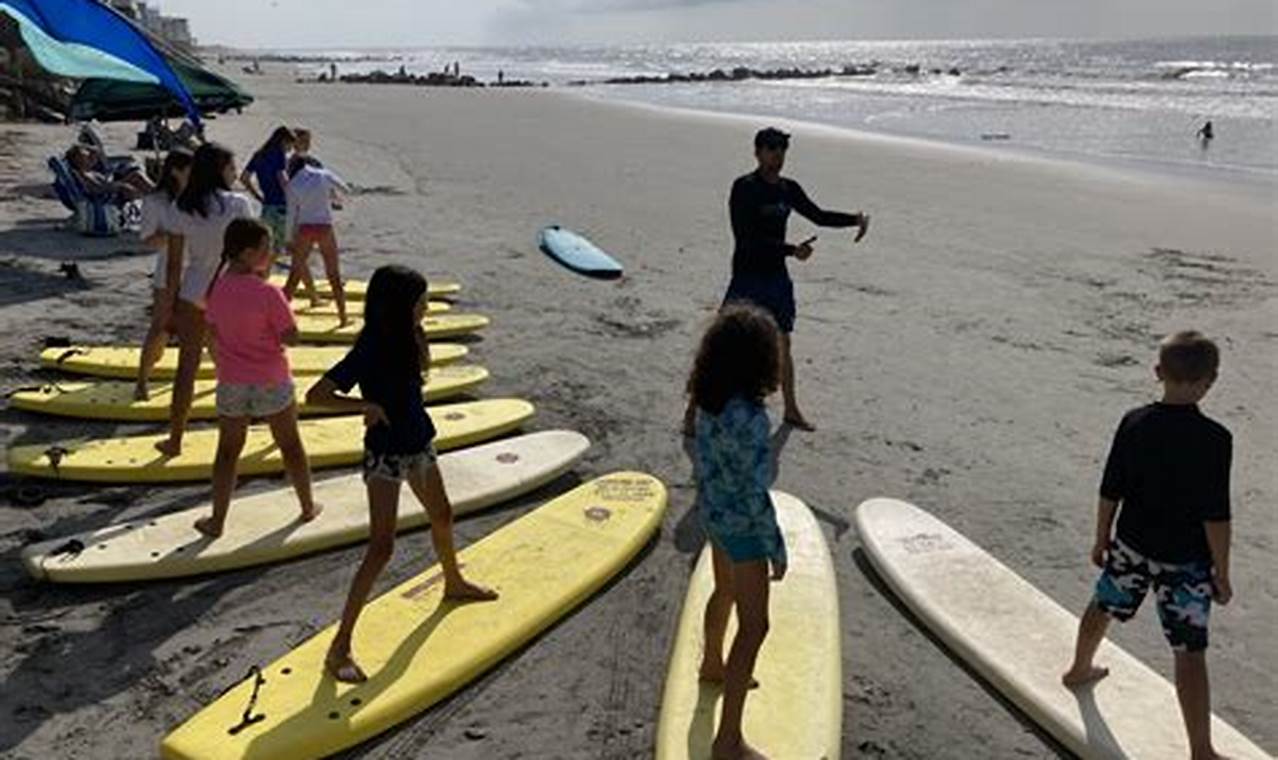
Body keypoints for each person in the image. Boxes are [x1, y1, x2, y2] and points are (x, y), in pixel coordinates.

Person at [306, 264, 497, 683]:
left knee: (443, 516)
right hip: (386, 456)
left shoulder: (412, 337)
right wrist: (363, 407)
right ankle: (339, 648)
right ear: (399, 306)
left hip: (419, 445)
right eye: (420, 301)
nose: (426, 307)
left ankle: (453, 581)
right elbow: (317, 395)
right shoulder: (371, 347)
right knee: (382, 548)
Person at [1062, 331, 1233, 760]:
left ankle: (1079, 668)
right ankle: (1201, 751)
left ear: (1158, 372)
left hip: (1132, 547)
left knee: (1103, 605)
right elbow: (1216, 515)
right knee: (1190, 651)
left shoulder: (1134, 422)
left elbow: (1110, 488)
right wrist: (1222, 571)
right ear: (1210, 381)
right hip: (1186, 564)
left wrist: (1101, 537)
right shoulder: (1216, 439)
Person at [684, 127, 870, 436]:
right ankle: (691, 413)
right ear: (757, 152)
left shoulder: (788, 188)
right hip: (747, 275)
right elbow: (745, 239)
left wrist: (855, 219)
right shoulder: (744, 188)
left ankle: (792, 410)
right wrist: (791, 250)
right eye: (771, 149)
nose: (777, 155)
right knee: (720, 345)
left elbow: (818, 215)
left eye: (782, 149)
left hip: (776, 279)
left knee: (784, 343)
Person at [686, 304, 786, 760]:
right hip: (743, 529)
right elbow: (755, 491)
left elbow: (708, 466)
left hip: (714, 516)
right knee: (755, 626)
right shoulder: (751, 419)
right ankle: (728, 741)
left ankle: (712, 663)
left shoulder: (709, 403)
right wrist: (774, 546)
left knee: (722, 591)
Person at [196, 218, 319, 538]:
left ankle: (217, 521)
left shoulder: (216, 287)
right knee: (290, 445)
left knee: (227, 452)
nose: (273, 253)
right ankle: (307, 507)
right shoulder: (269, 293)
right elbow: (291, 337)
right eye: (267, 249)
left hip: (232, 381)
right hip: (271, 379)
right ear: (250, 253)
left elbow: (211, 330)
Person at [156, 143, 256, 457]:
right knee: (237, 363)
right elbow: (252, 256)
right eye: (231, 167)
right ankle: (242, 429)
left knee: (187, 368)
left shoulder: (181, 207)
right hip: (232, 294)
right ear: (219, 170)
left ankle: (175, 439)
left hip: (193, 293)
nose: (235, 172)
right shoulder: (239, 204)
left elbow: (174, 265)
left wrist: (168, 306)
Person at [134, 148, 194, 401]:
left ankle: (225, 379)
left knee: (208, 329)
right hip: (168, 270)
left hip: (198, 269)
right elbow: (147, 239)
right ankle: (142, 381)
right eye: (191, 170)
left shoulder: (198, 198)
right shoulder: (155, 201)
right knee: (160, 327)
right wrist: (174, 235)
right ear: (176, 171)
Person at [281, 157, 351, 324]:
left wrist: (288, 239)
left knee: (294, 276)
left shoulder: (292, 185)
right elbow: (345, 189)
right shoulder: (323, 175)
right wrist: (331, 199)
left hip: (304, 229)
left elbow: (291, 215)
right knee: (333, 274)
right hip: (325, 228)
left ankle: (279, 319)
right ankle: (343, 317)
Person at [240, 126, 296, 263]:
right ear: (284, 141)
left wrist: (257, 196)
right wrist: (295, 197)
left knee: (265, 244)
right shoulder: (278, 154)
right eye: (290, 145)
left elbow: (244, 178)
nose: (290, 149)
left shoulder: (259, 154)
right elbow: (282, 178)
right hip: (281, 205)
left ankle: (260, 275)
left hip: (267, 205)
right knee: (281, 246)